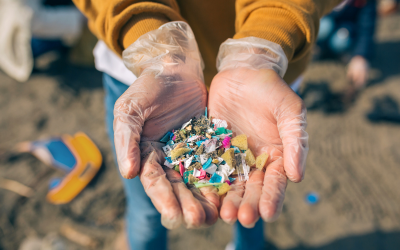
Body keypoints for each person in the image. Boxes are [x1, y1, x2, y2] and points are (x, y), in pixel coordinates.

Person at [72, 1, 343, 250]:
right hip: (148, 74)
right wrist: (153, 46)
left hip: (263, 82)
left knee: (251, 204)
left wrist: (264, 46)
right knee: (146, 209)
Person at [316, 0, 377, 90]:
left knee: (340, 40)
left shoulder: (364, 2)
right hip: (326, 21)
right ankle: (318, 47)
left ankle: (334, 52)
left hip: (346, 28)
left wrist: (360, 56)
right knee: (323, 27)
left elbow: (366, 27)